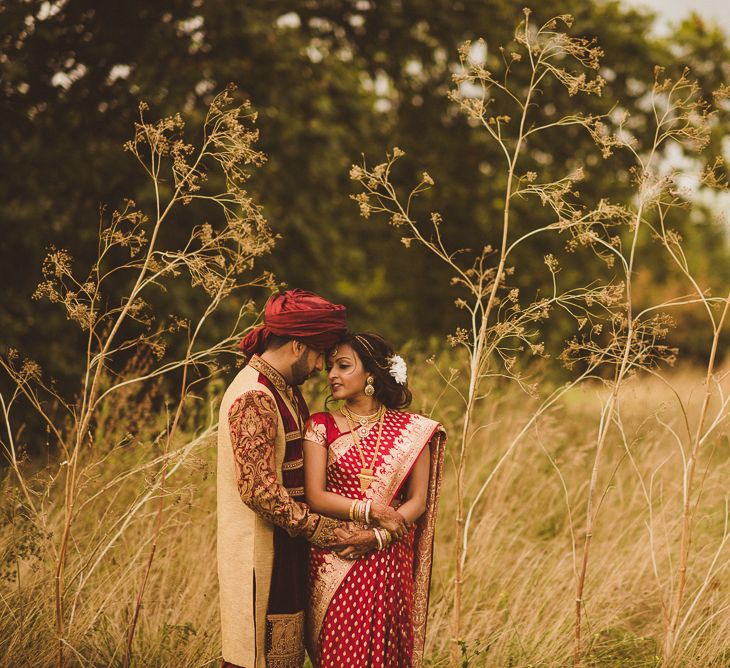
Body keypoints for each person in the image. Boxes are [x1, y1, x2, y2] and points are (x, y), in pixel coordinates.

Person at [217, 290, 378, 668]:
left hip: (283, 547)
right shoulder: (255, 394)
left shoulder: (283, 388)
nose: (322, 366)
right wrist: (320, 529)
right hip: (260, 554)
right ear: (296, 346)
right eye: (321, 354)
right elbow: (258, 491)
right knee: (256, 659)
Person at [303, 332, 447, 668]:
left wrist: (376, 536)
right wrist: (369, 511)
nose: (332, 375)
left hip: (387, 561)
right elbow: (315, 495)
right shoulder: (321, 426)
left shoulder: (413, 430)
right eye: (329, 367)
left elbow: (418, 502)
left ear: (371, 374)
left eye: (343, 366)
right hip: (336, 557)